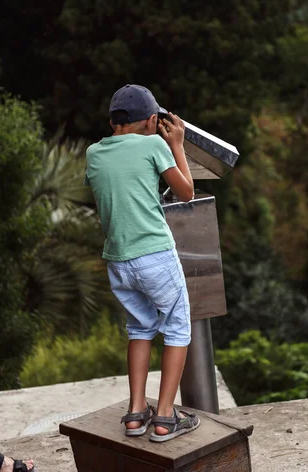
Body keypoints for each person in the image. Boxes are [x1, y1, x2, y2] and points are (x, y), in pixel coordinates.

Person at [84, 84, 200, 442]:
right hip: (155, 256)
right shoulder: (154, 145)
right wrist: (176, 145)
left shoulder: (93, 153)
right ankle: (165, 417)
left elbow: (126, 186)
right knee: (178, 328)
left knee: (140, 327)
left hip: (119, 261)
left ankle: (136, 414)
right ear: (152, 120)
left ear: (112, 121)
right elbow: (186, 192)